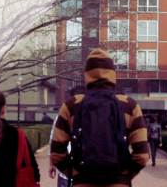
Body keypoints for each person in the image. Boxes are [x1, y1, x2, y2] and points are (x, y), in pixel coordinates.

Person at [50, 49, 149, 186]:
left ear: (87, 74)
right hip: (118, 181)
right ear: (112, 73)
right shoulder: (129, 104)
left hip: (83, 181)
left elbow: (56, 152)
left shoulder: (71, 104)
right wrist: (125, 175)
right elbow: (142, 155)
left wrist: (76, 174)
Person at [48, 86, 86, 187]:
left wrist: (52, 164)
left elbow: (54, 141)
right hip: (86, 171)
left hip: (67, 170)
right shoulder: (93, 116)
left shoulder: (62, 116)